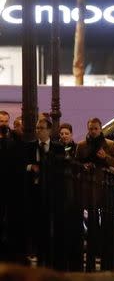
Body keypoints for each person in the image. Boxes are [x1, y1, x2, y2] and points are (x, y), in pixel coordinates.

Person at [25, 117, 65, 266]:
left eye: (41, 128)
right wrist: (31, 167)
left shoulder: (57, 147)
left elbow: (62, 168)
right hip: (34, 189)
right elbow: (22, 164)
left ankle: (50, 250)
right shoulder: (29, 146)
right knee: (35, 221)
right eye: (37, 128)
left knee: (50, 221)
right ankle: (36, 249)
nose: (38, 131)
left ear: (49, 130)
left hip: (51, 191)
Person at [0, 111, 27, 264]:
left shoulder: (14, 138)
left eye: (5, 120)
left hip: (10, 184)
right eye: (1, 121)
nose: (3, 123)